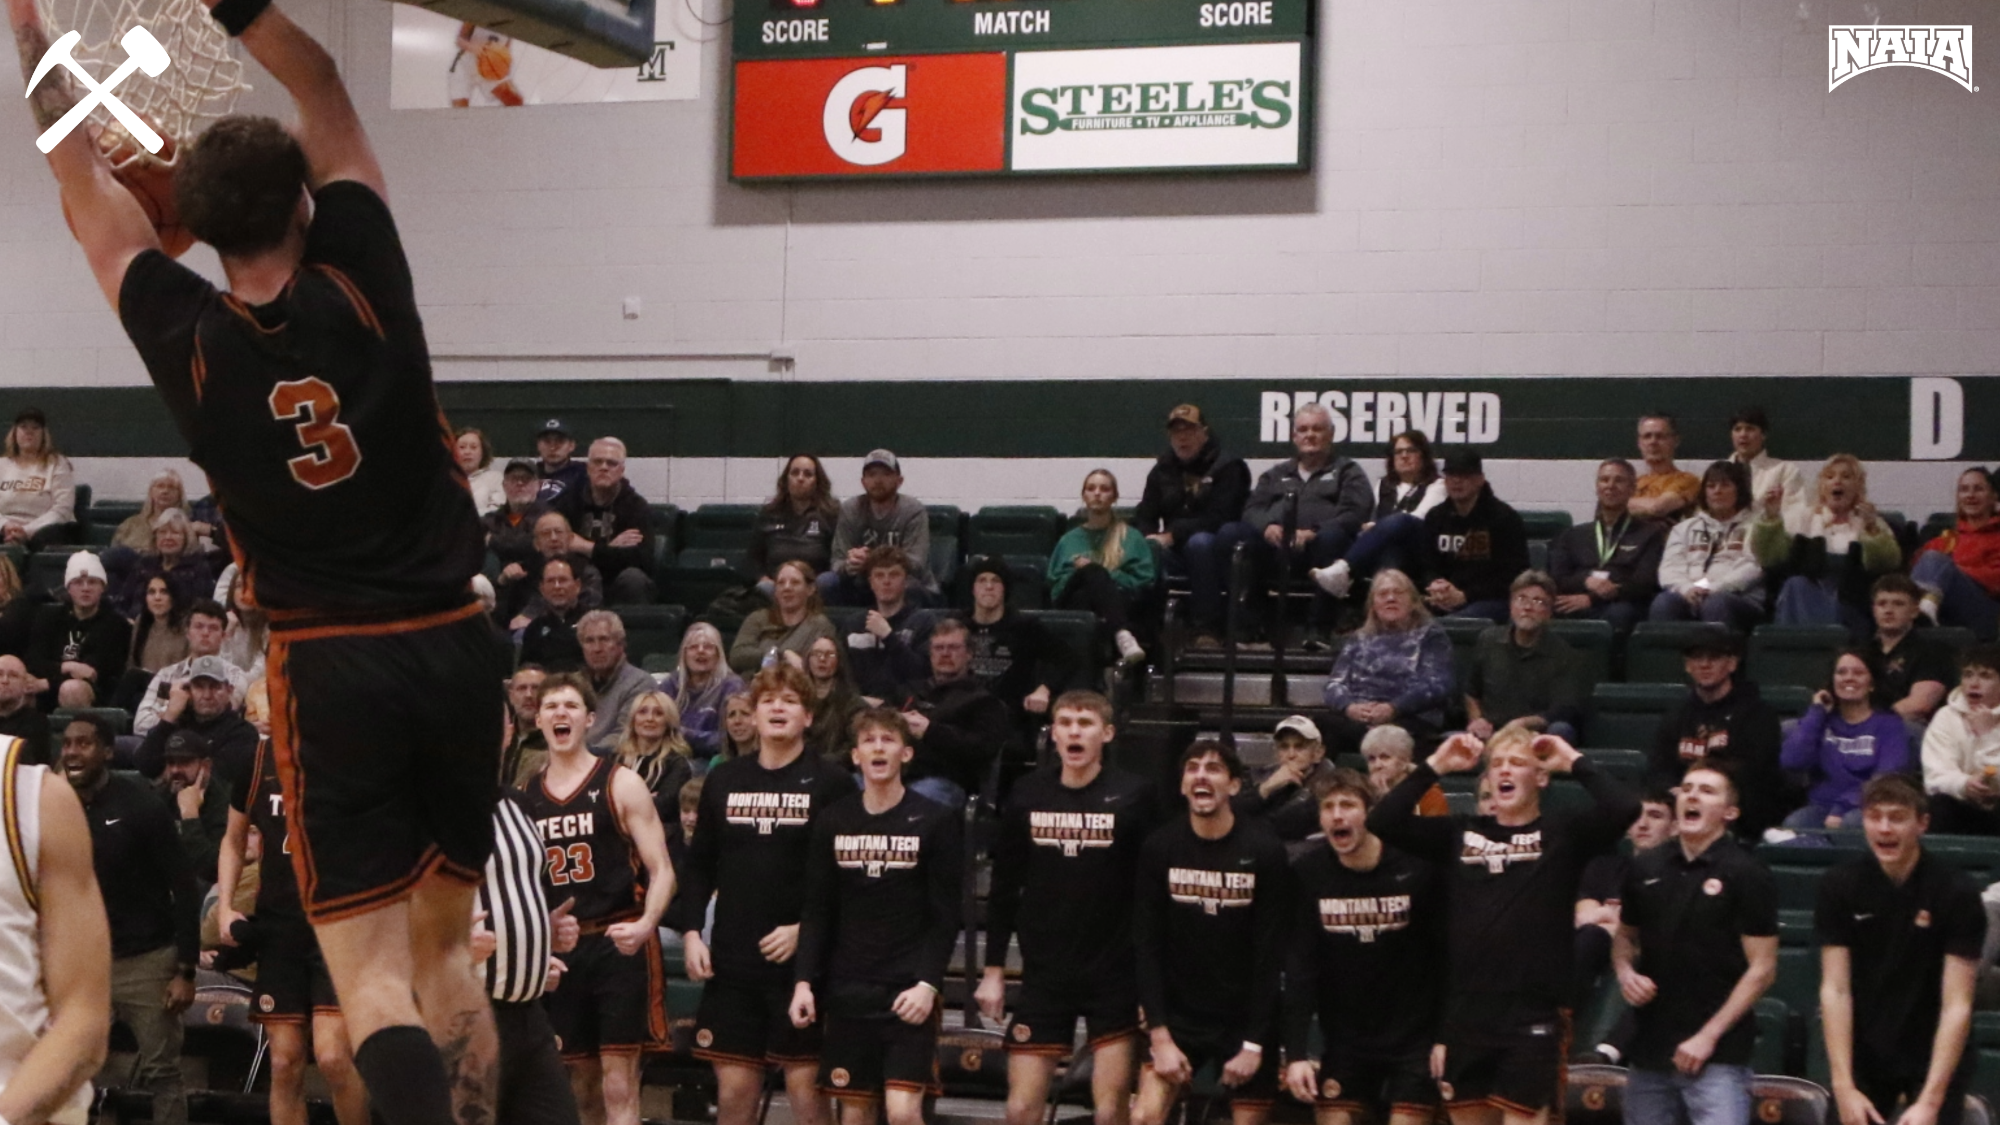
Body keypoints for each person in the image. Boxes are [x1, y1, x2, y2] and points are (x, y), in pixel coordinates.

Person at [42, 0, 513, 1104]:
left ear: (199, 227)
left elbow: (78, 176)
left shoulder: (189, 336)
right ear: (306, 198)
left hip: (330, 661)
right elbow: (324, 88)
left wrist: (28, 28)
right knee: (449, 953)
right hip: (453, 638)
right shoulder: (362, 270)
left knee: (373, 984)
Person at [1368, 725, 1640, 1125]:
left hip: (1532, 1017)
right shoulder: (1460, 833)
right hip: (1466, 1015)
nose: (1505, 771)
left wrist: (1571, 760)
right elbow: (1383, 821)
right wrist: (1437, 764)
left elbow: (1625, 807)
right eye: (1497, 764)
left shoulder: (1562, 833)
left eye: (1517, 763)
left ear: (1541, 777)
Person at [672, 664, 849, 1125]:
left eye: (790, 700)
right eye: (768, 700)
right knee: (733, 1094)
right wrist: (691, 932)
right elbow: (699, 864)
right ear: (752, 714)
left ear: (808, 716)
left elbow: (846, 878)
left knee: (807, 1095)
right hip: (734, 961)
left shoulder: (832, 783)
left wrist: (805, 930)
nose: (777, 708)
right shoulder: (724, 779)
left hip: (803, 965)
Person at [978, 691, 1158, 1125]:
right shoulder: (1027, 792)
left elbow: (1151, 894)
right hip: (1046, 971)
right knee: (1021, 1107)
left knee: (1110, 1109)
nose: (1075, 731)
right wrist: (994, 969)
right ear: (1053, 733)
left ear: (1107, 734)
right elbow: (1004, 886)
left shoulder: (1134, 795)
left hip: (1114, 972)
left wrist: (1152, 983)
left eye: (1085, 723)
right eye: (1066, 722)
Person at [789, 708, 963, 1125]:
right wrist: (803, 982)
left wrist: (927, 984)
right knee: (854, 1114)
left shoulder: (935, 820)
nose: (878, 748)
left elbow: (945, 916)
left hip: (908, 990)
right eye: (869, 741)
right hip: (848, 989)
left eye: (888, 740)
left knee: (903, 1112)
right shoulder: (834, 820)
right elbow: (818, 910)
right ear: (856, 756)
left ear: (906, 753)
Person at [519, 674, 675, 1125]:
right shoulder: (526, 796)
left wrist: (646, 924)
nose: (560, 713)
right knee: (579, 1087)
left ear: (589, 719)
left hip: (617, 941)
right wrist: (540, 937)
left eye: (570, 706)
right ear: (538, 720)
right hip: (563, 949)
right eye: (551, 706)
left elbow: (663, 870)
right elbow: (520, 885)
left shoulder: (621, 783)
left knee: (618, 1082)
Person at [1130, 741, 1291, 1125]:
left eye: (1213, 768)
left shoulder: (1265, 850)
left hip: (1245, 1019)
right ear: (1182, 785)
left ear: (1234, 785)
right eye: (1192, 768)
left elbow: (1271, 955)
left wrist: (1253, 1044)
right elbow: (1146, 945)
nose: (1201, 775)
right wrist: (1160, 1037)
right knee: (1144, 1117)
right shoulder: (1160, 846)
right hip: (1180, 1016)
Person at [1612, 766, 1779, 1125]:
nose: (1691, 795)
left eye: (1706, 790)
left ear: (1730, 812)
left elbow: (1763, 969)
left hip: (1718, 1054)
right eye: (1686, 788)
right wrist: (1625, 973)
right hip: (1650, 1049)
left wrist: (1707, 1036)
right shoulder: (1646, 866)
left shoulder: (1747, 873)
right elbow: (1625, 935)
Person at [216, 735, 369, 1125]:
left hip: (338, 926)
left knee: (334, 1057)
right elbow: (233, 839)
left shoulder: (356, 752)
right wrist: (225, 907)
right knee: (284, 1061)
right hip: (279, 929)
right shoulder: (258, 759)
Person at [1818, 774, 1984, 1125]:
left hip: (1932, 1052)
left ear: (1922, 823)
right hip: (1865, 1051)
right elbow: (1835, 989)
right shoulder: (1840, 885)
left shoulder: (1956, 891)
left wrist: (1930, 1102)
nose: (1884, 828)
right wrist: (1843, 1085)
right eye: (1874, 816)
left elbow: (1957, 1004)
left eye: (1897, 817)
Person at [1282, 768, 1445, 1125]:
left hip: (1413, 1041)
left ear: (1370, 813)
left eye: (1348, 805)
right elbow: (1301, 968)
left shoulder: (1416, 868)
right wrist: (1296, 1054)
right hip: (1347, 1042)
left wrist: (1444, 1037)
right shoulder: (1308, 873)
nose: (1337, 815)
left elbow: (1446, 957)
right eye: (1328, 807)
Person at [60, 715, 198, 1125]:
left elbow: (184, 885)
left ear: (107, 752)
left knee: (162, 1072)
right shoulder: (54, 807)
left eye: (84, 743)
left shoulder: (141, 805)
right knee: (68, 1068)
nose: (72, 752)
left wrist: (186, 969)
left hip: (147, 960)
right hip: (85, 964)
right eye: (67, 744)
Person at [473, 790, 584, 1125]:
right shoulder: (424, 801)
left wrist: (540, 935)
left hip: (529, 1017)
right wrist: (449, 944)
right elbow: (393, 901)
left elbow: (519, 892)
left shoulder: (518, 803)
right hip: (465, 1014)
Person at [1222, 403, 1372, 644]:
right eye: (1303, 429)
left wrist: (1314, 531)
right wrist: (1268, 526)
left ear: (1331, 434)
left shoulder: (1347, 470)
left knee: (1333, 537)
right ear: (1294, 436)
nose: (1309, 435)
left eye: (1317, 429)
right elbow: (1251, 509)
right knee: (1231, 533)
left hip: (1321, 551)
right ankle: (1251, 625)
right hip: (1275, 550)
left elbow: (1355, 512)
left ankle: (1318, 629)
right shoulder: (1276, 473)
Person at [1648, 635, 1787, 839]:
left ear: (1731, 664)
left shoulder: (1758, 714)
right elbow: (1659, 767)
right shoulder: (1677, 714)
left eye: (1713, 657)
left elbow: (1756, 772)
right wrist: (1675, 791)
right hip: (1684, 805)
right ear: (1687, 666)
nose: (1705, 664)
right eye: (1697, 658)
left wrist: (1707, 793)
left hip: (1740, 812)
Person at [1134, 404, 1251, 646]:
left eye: (1189, 430)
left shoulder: (1228, 467)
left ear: (1204, 433)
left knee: (1200, 544)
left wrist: (1174, 534)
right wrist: (1147, 537)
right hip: (1174, 551)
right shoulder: (1162, 470)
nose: (1182, 438)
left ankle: (1207, 629)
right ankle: (1146, 633)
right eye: (1176, 432)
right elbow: (1145, 514)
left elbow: (1222, 517)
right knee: (1145, 550)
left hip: (1219, 551)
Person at [1576, 785, 1677, 1058]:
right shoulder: (1604, 866)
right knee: (1590, 937)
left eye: (1655, 815)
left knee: (1656, 963)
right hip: (1602, 947)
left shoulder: (1680, 874)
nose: (1642, 824)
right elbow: (1583, 916)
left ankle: (1607, 1051)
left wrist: (1612, 920)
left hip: (1653, 958)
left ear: (1675, 826)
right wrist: (1624, 926)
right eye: (1636, 816)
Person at [1754, 454, 1902, 636]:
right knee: (1796, 585)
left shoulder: (1872, 522)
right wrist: (1771, 517)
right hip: (1802, 602)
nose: (1837, 481)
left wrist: (1871, 529)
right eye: (1830, 477)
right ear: (1822, 486)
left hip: (1853, 604)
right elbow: (1770, 559)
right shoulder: (1802, 519)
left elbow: (1886, 565)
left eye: (1846, 477)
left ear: (1858, 486)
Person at [1321, 570, 1453, 756]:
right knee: (1321, 726)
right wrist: (1349, 707)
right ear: (1373, 605)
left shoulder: (1431, 636)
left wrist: (1394, 707)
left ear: (1414, 602)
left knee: (1396, 737)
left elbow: (1437, 684)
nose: (1391, 598)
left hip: (1409, 718)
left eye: (1398, 592)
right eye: (1383, 594)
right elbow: (1334, 685)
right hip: (1359, 719)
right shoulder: (1358, 638)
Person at [1781, 651, 1913, 828]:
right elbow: (1792, 761)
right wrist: (1817, 712)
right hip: (1821, 807)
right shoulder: (1820, 721)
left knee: (1851, 823)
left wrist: (1842, 807)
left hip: (1867, 806)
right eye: (1841, 672)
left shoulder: (1889, 725)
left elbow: (1885, 779)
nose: (1849, 678)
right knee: (1795, 824)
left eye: (1858, 673)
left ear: (1872, 684)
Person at [901, 619, 1013, 808]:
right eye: (939, 648)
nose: (945, 653)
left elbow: (983, 749)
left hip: (947, 781)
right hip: (895, 776)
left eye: (953, 647)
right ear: (930, 654)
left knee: (916, 799)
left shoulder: (984, 701)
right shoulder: (910, 692)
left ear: (969, 654)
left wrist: (930, 731)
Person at [1463, 571, 1585, 744]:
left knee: (1561, 729)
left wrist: (1521, 724)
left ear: (1549, 612)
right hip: (1491, 733)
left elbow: (1561, 710)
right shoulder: (1488, 640)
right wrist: (1477, 720)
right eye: (1521, 599)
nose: (1528, 607)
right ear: (1511, 606)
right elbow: (1471, 693)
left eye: (1538, 602)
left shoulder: (1563, 654)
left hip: (1536, 737)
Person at [1547, 459, 1665, 634]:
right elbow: (1557, 577)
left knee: (1620, 614)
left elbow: (1645, 583)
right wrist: (1586, 580)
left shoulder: (1650, 533)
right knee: (1539, 609)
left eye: (1619, 480)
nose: (1610, 486)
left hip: (1621, 602)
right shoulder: (1573, 535)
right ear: (1597, 487)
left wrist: (1593, 599)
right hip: (1575, 597)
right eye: (1604, 480)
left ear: (1632, 489)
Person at [1050, 469, 1155, 665]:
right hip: (1073, 602)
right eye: (1091, 488)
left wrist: (1107, 575)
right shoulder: (1067, 541)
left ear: (1114, 497)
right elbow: (1056, 588)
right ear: (1084, 496)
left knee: (1094, 575)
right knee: (1091, 572)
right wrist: (1084, 573)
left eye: (1104, 489)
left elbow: (1144, 582)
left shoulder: (1132, 538)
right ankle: (1122, 634)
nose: (1097, 493)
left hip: (1120, 601)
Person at [1649, 461, 1765, 632]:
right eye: (1711, 486)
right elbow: (1670, 568)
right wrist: (1686, 589)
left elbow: (1752, 567)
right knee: (1663, 602)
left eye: (1725, 485)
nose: (1717, 491)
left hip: (1738, 598)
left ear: (1739, 490)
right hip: (1689, 595)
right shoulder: (1683, 528)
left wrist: (1714, 588)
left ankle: (1720, 650)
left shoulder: (1756, 526)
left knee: (1715, 604)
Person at [963, 558, 1075, 733]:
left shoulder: (1025, 627)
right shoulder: (958, 625)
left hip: (1011, 718)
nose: (989, 586)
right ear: (973, 588)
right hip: (964, 713)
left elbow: (1067, 658)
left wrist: (1044, 689)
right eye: (982, 580)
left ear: (1005, 589)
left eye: (996, 581)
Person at [820, 451, 935, 607]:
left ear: (899, 481)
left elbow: (917, 564)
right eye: (872, 474)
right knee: (826, 582)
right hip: (863, 584)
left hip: (905, 583)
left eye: (886, 474)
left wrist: (871, 560)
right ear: (863, 482)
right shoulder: (850, 509)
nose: (878, 480)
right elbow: (837, 562)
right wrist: (850, 564)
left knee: (909, 587)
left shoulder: (913, 510)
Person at [552, 438, 655, 605]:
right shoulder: (567, 502)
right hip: (580, 579)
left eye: (611, 463)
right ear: (588, 468)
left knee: (634, 578)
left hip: (616, 583)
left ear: (621, 470)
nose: (604, 467)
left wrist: (587, 547)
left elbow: (642, 560)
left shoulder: (636, 507)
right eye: (597, 462)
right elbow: (557, 548)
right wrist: (611, 549)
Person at [135, 655, 261, 789]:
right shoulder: (175, 724)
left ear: (229, 690)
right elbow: (145, 765)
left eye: (215, 687)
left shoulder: (242, 732)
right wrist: (170, 715)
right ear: (188, 691)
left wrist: (169, 772)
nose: (207, 695)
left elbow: (220, 778)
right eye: (199, 687)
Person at [26, 552, 130, 710]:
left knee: (71, 689)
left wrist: (48, 682)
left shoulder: (115, 624)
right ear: (68, 588)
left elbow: (91, 672)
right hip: (47, 683)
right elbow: (34, 660)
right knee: (15, 685)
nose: (85, 588)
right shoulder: (49, 617)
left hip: (94, 691)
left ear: (102, 587)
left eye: (92, 582)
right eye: (78, 583)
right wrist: (66, 667)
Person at [1910, 467, 2000, 641]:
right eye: (1964, 490)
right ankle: (1922, 612)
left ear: (1994, 496)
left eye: (1978, 489)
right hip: (1945, 609)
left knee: (1936, 561)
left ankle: (1923, 611)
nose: (1970, 495)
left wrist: (1951, 571)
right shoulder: (1947, 538)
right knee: (1931, 558)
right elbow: (1917, 570)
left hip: (1985, 614)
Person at [1919, 646, 2000, 835]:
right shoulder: (1945, 717)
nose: (1974, 684)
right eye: (1968, 675)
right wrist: (1964, 784)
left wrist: (1987, 736)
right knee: (1938, 805)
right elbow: (1935, 777)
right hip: (1960, 803)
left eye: (1985, 676)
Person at [134, 600, 245, 736]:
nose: (205, 633)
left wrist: (170, 714)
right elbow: (140, 725)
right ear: (187, 632)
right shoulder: (167, 674)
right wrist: (172, 713)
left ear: (223, 636)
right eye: (199, 626)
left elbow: (222, 718)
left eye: (213, 628)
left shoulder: (234, 675)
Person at [1866, 574, 1955, 733]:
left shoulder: (1933, 651)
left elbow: (1919, 706)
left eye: (1898, 604)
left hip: (1909, 729)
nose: (1888, 610)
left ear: (1914, 611)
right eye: (1882, 604)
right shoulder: (1862, 652)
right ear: (1874, 610)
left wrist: (1868, 723)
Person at [845, 548, 933, 702]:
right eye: (879, 575)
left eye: (894, 575)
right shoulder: (854, 624)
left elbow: (922, 673)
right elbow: (843, 674)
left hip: (903, 708)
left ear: (906, 581)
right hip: (859, 707)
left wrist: (888, 637)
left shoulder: (922, 621)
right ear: (871, 582)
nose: (886, 581)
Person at [1237, 714, 1338, 842]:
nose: (1291, 755)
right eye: (1284, 747)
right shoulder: (1261, 777)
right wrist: (1266, 787)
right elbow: (1234, 814)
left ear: (1318, 753)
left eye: (1299, 747)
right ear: (1277, 753)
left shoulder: (1330, 786)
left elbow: (1287, 825)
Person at [731, 560, 837, 676]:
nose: (787, 588)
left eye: (795, 582)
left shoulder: (820, 625)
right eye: (781, 583)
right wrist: (780, 654)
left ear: (810, 589)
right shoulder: (758, 618)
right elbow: (737, 656)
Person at [658, 624, 745, 761]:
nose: (700, 651)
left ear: (718, 654)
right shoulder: (670, 684)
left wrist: (683, 735)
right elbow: (658, 727)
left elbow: (731, 737)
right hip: (672, 759)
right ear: (684, 654)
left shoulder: (732, 686)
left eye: (708, 647)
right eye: (693, 647)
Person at [157, 729, 232, 887]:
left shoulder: (226, 800)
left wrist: (190, 817)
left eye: (184, 762)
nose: (175, 770)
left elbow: (212, 869)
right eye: (171, 762)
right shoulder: (160, 796)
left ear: (206, 765)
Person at [614, 690, 699, 827]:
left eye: (658, 713)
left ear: (668, 721)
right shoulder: (615, 760)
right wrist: (646, 799)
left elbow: (661, 809)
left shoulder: (677, 764)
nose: (650, 718)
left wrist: (622, 802)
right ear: (633, 719)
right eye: (642, 712)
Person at [113, 509, 215, 620]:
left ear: (186, 538)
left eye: (175, 533)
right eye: (162, 532)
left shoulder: (198, 568)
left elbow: (203, 610)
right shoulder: (144, 565)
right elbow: (122, 603)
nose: (168, 537)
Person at [507, 511, 604, 627]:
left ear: (570, 539)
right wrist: (502, 582)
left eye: (558, 532)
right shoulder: (525, 573)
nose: (553, 538)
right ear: (537, 544)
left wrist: (531, 614)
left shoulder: (587, 572)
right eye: (546, 533)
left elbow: (591, 610)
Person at [751, 455, 839, 583]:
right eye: (795, 473)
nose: (800, 478)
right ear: (786, 479)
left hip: (815, 588)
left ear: (817, 481)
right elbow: (751, 561)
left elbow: (837, 560)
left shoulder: (831, 515)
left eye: (808, 474)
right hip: (776, 587)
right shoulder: (769, 513)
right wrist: (763, 579)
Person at [576, 610, 655, 753]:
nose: (597, 648)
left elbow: (624, 734)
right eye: (589, 641)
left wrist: (583, 756)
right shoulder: (573, 684)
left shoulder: (640, 683)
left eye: (604, 639)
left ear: (621, 644)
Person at [0, 409, 75, 548]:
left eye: (35, 428)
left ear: (43, 435)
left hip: (43, 530)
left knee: (50, 535)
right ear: (15, 433)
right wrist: (5, 526)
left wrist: (26, 531)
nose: (29, 432)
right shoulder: (2, 465)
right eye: (23, 427)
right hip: (5, 529)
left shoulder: (58, 463)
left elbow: (62, 509)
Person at [1726, 407, 1805, 522]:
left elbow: (1797, 513)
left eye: (1750, 429)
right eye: (1737, 429)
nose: (1743, 435)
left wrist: (1772, 512)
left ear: (1763, 434)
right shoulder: (1717, 471)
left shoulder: (1785, 470)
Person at [1359, 725, 1449, 816]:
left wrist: (1389, 801)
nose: (1377, 765)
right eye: (1371, 759)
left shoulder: (1427, 792)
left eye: (1385, 757)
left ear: (1404, 761)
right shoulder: (1360, 793)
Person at [1628, 414, 1701, 524]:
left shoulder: (1688, 480)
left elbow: (1658, 507)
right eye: (1647, 436)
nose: (1653, 442)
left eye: (1660, 436)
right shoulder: (1634, 483)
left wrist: (1618, 504)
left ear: (1675, 441)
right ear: (1639, 443)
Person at [520, 558, 589, 672]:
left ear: (577, 585)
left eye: (563, 580)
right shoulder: (534, 629)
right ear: (542, 589)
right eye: (550, 581)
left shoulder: (593, 622)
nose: (557, 586)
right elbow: (527, 669)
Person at [488, 460, 550, 578]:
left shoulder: (549, 517)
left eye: (526, 479)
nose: (520, 483)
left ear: (538, 485)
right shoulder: (490, 520)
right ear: (504, 486)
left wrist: (493, 541)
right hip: (499, 582)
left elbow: (537, 546)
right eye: (514, 479)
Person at [805, 637, 863, 761]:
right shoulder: (797, 700)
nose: (822, 659)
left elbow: (854, 746)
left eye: (830, 654)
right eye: (817, 654)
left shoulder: (853, 705)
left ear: (839, 661)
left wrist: (821, 764)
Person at [111, 468, 193, 552]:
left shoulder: (188, 527)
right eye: (160, 486)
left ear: (179, 495)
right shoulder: (130, 524)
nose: (165, 491)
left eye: (171, 487)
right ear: (151, 491)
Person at [129, 576, 191, 679]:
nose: (157, 598)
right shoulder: (141, 622)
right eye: (151, 592)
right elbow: (131, 663)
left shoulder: (186, 626)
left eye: (164, 592)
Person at [218, 570, 267, 683]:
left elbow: (258, 674)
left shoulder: (269, 629)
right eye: (239, 586)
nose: (244, 592)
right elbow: (218, 670)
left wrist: (234, 682)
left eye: (249, 586)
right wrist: (226, 637)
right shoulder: (225, 623)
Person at [0, 657, 50, 765]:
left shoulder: (37, 722)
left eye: (13, 676)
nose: (5, 680)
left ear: (25, 685)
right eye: (0, 674)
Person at [533, 419, 588, 502]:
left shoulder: (583, 474)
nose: (552, 448)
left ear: (571, 446)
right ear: (538, 446)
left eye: (560, 441)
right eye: (547, 441)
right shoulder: (530, 473)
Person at [455, 428, 505, 516]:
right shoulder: (444, 479)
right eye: (462, 447)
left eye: (473, 447)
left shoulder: (495, 478)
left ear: (483, 453)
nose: (467, 452)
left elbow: (498, 510)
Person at [718, 693, 759, 766]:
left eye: (745, 714)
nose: (737, 721)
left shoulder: (770, 763)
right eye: (731, 715)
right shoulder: (719, 763)